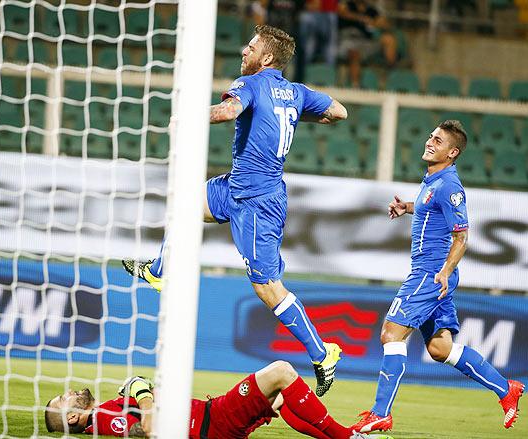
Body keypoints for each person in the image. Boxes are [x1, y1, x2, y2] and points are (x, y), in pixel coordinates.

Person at [122, 24, 348, 397]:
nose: (244, 51)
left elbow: (228, 111)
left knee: (267, 288)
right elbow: (338, 112)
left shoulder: (252, 85)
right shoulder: (294, 92)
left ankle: (323, 354)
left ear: (268, 58)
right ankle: (160, 272)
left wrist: (187, 116)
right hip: (236, 187)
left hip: (258, 202)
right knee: (184, 203)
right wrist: (289, 111)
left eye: (251, 47)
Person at [351, 120, 525, 433]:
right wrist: (406, 207)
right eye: (431, 136)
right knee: (440, 349)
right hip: (432, 273)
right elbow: (429, 208)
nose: (430, 141)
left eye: (439, 140)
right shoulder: (433, 181)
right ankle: (505, 389)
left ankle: (380, 413)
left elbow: (462, 237)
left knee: (391, 333)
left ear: (452, 152)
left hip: (430, 273)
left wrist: (444, 271)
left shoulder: (449, 186)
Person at [44, 360, 394, 439]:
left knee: (279, 401)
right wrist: (143, 397)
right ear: (74, 418)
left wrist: (136, 391)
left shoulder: (105, 411)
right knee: (282, 373)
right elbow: (144, 427)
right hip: (215, 421)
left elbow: (137, 395)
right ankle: (348, 436)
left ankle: (346, 436)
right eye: (65, 400)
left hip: (213, 418)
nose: (70, 393)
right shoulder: (104, 419)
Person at [337, 0, 397, 88]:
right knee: (354, 52)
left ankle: (392, 76)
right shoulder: (347, 5)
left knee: (389, 39)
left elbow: (384, 24)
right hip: (347, 41)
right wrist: (362, 18)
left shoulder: (371, 10)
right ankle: (355, 85)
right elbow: (342, 12)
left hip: (365, 43)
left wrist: (375, 22)